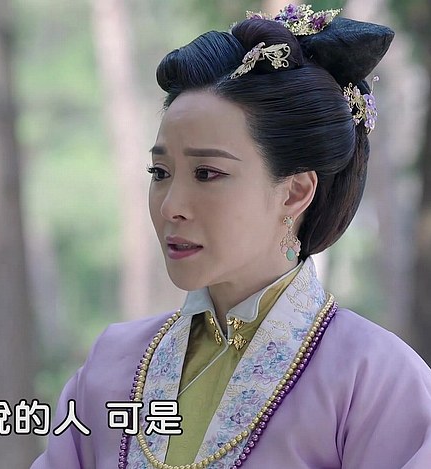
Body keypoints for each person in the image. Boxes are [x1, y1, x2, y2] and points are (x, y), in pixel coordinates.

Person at [33, 4, 431, 468]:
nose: (171, 206)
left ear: (295, 192)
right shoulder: (111, 367)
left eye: (207, 173)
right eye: (160, 172)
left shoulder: (376, 380)